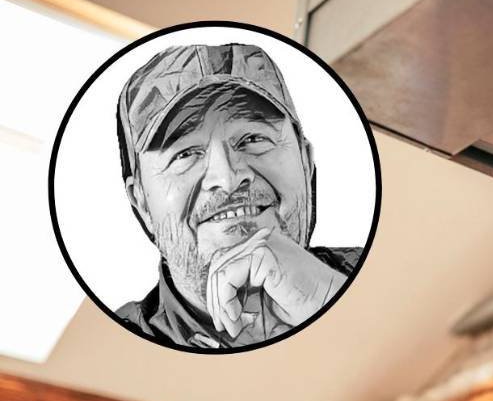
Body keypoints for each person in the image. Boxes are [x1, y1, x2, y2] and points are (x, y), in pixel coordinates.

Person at [116, 43, 362, 350]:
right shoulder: (114, 348)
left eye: (254, 138)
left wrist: (324, 301)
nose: (228, 179)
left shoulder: (389, 276)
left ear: (306, 162)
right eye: (185, 154)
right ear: (141, 204)